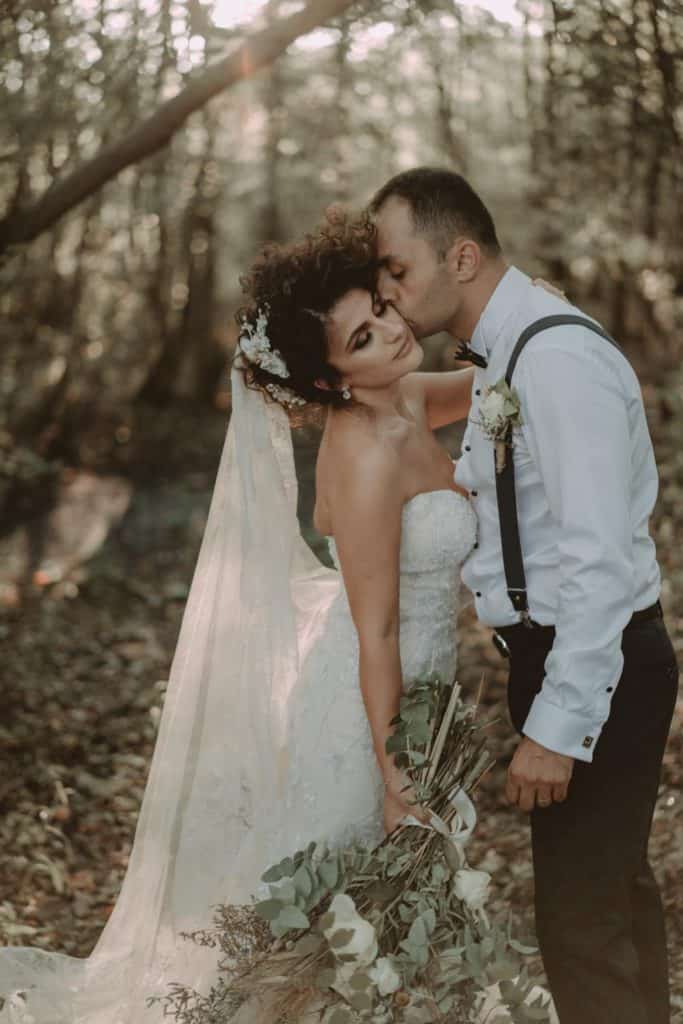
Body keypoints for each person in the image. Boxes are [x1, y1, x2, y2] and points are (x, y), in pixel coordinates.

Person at [0, 211, 482, 1023]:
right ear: (329, 381)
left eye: (382, 309)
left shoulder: (401, 396)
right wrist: (398, 782)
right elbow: (378, 634)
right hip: (373, 710)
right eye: (361, 338)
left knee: (372, 945)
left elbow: (497, 385)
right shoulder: (362, 455)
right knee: (328, 939)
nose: (391, 333)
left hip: (424, 689)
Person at [370, 165, 678, 1024]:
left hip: (595, 660)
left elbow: (598, 561)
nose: (387, 292)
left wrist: (559, 725)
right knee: (612, 900)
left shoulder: (556, 358)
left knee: (580, 924)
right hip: (556, 656)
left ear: (460, 256)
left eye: (397, 269)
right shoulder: (508, 352)